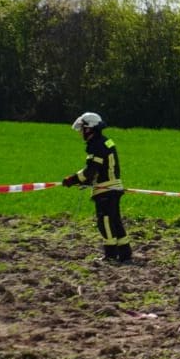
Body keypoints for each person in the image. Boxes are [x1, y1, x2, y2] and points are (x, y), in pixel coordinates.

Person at [63, 112, 131, 264]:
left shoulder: (96, 145)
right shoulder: (105, 141)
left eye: (82, 129)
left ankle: (111, 255)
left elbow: (91, 170)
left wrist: (72, 179)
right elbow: (100, 169)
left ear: (89, 129)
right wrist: (86, 181)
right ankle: (125, 254)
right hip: (113, 187)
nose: (81, 132)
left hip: (105, 190)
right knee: (115, 222)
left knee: (105, 222)